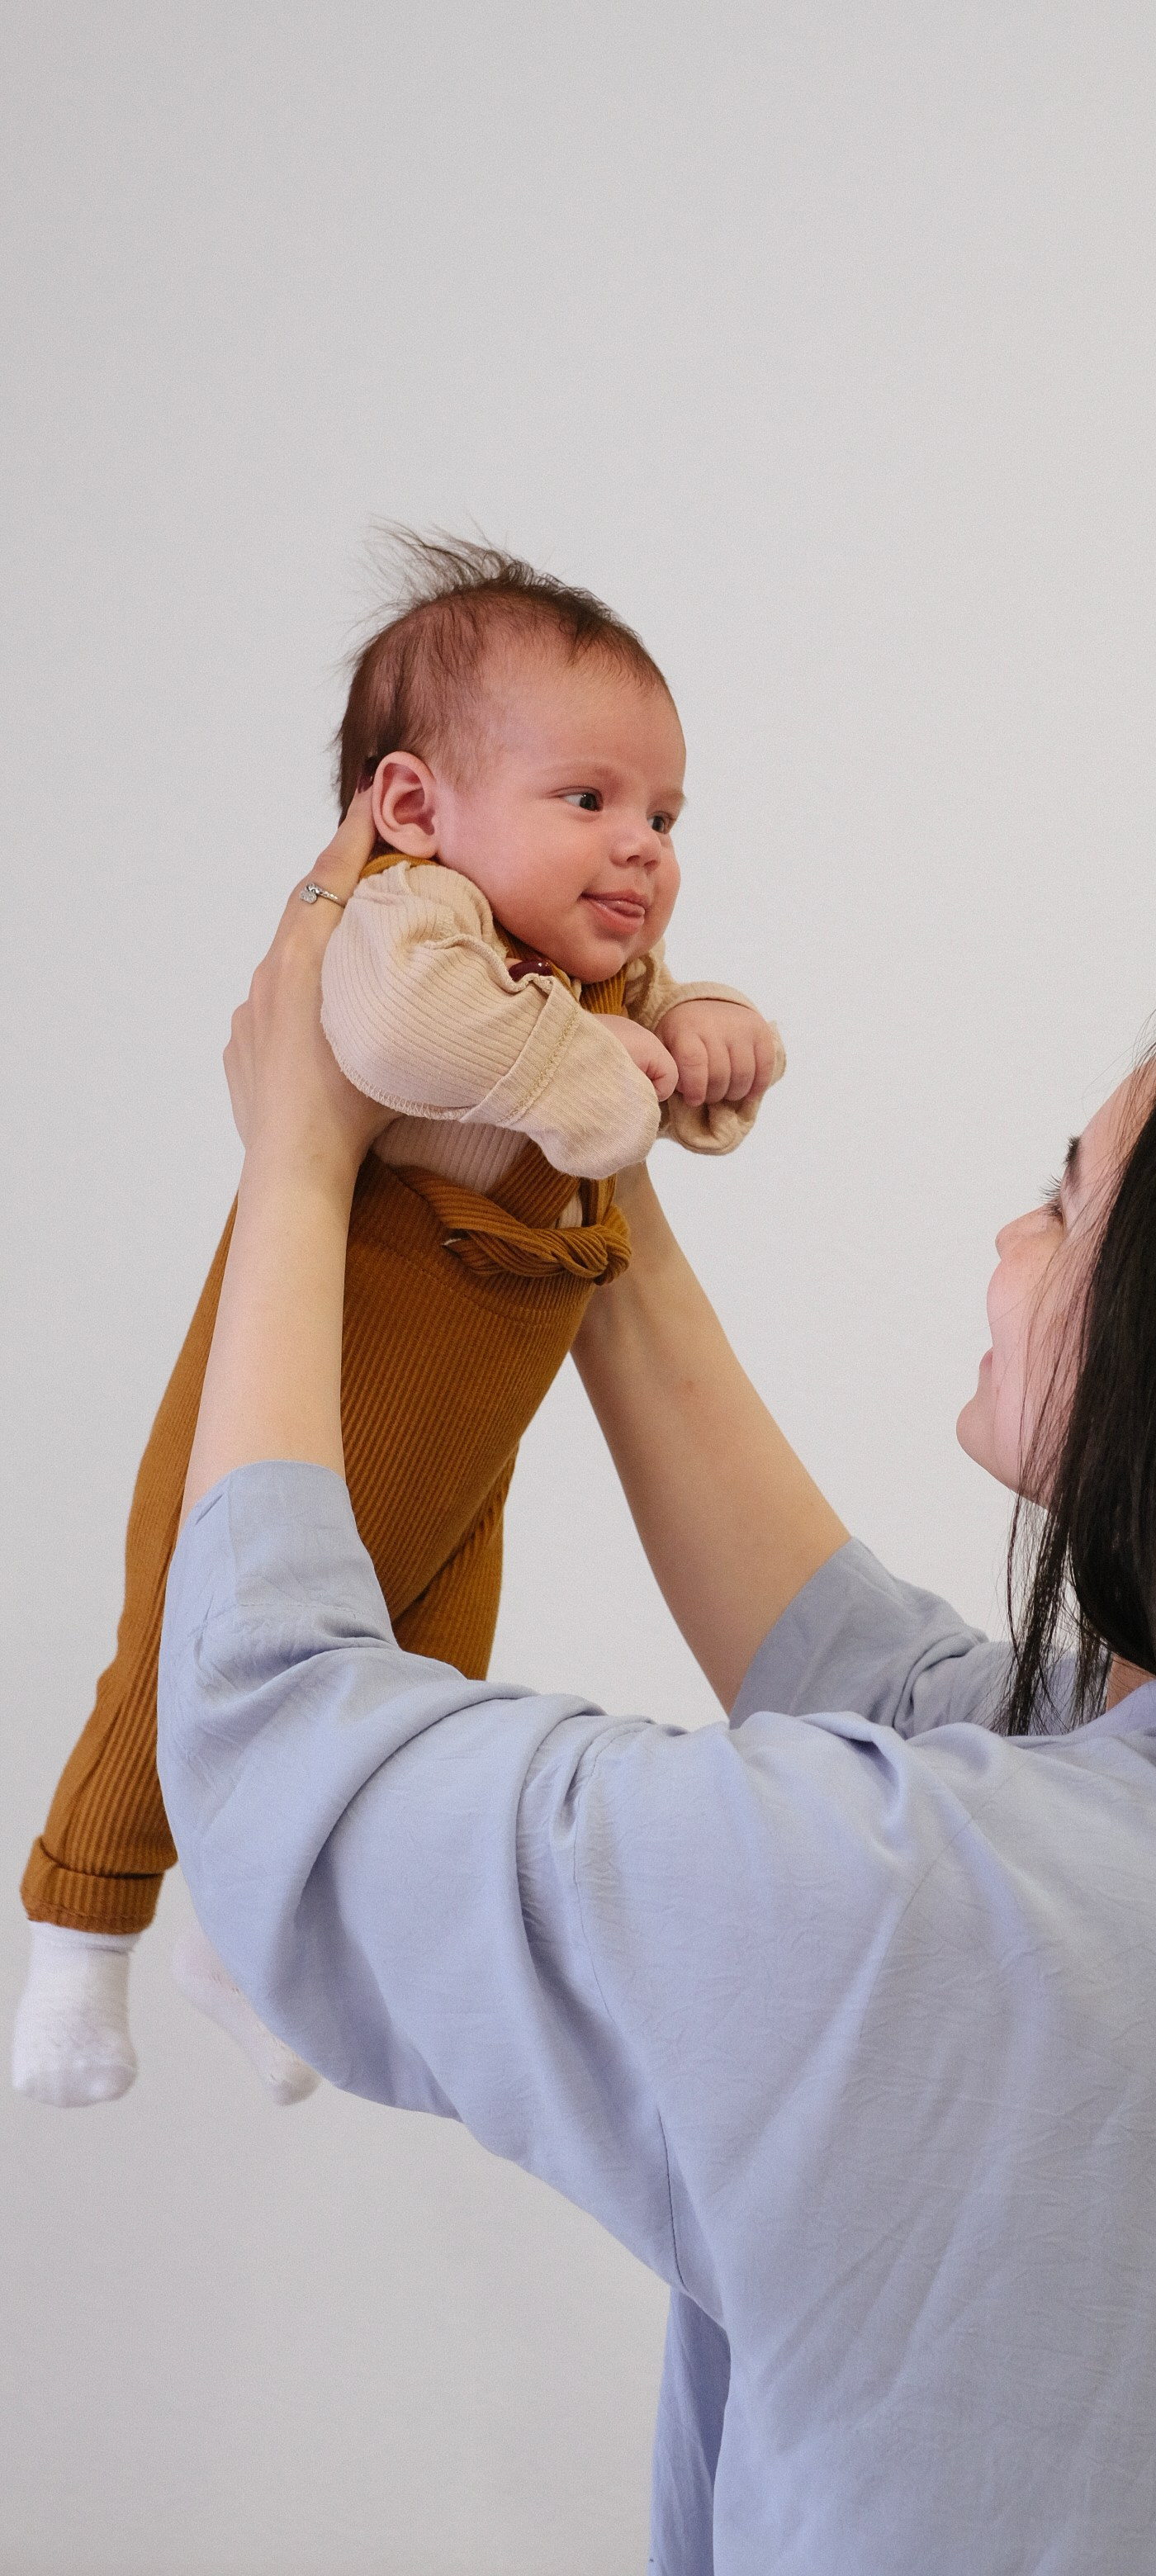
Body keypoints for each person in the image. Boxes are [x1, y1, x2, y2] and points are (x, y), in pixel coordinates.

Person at [154, 817, 1156, 2575]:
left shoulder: (917, 1908)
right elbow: (875, 1677)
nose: (1009, 1237)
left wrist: (298, 1164)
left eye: (1066, 1197)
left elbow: (277, 1756)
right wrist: (582, 1138)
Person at [12, 537, 780, 2110]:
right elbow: (400, 1031)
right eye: (590, 800)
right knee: (185, 1641)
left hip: (476, 1412)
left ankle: (255, 1940)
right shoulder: (408, 918)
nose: (640, 848)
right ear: (419, 807)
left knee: (416, 1697)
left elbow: (650, 1080)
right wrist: (600, 1081)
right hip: (321, 1376)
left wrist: (705, 1038)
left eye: (665, 814)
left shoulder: (581, 968)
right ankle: (78, 1943)